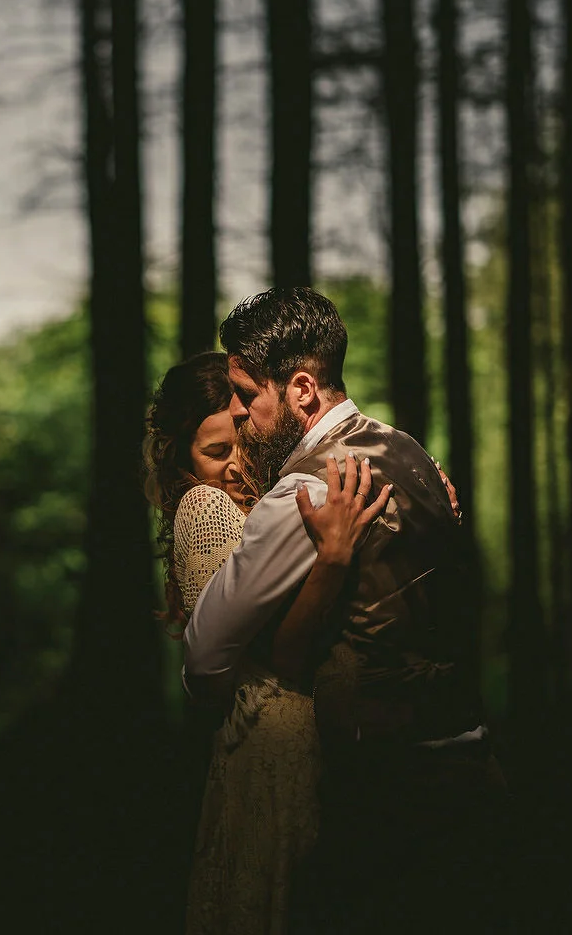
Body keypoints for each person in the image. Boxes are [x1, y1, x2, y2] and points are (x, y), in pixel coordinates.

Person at [183, 288, 506, 932]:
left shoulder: (305, 489)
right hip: (470, 764)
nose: (240, 415)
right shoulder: (410, 452)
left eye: (249, 396)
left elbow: (202, 657)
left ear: (301, 389)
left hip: (384, 789)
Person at [145, 351, 391, 935]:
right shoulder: (206, 508)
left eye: (240, 446)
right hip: (271, 741)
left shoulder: (267, 498)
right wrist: (331, 561)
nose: (233, 466)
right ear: (182, 456)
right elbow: (272, 656)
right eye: (213, 453)